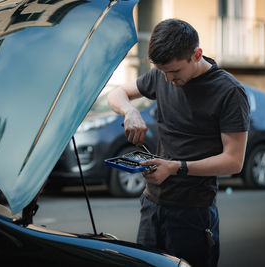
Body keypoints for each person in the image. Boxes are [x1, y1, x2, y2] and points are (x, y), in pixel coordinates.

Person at [107, 19, 250, 267]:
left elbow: (233, 161)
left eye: (174, 72)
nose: (168, 79)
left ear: (197, 55)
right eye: (163, 72)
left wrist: (176, 167)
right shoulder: (162, 76)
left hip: (193, 213)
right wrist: (130, 112)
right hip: (151, 205)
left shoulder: (229, 92)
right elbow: (116, 93)